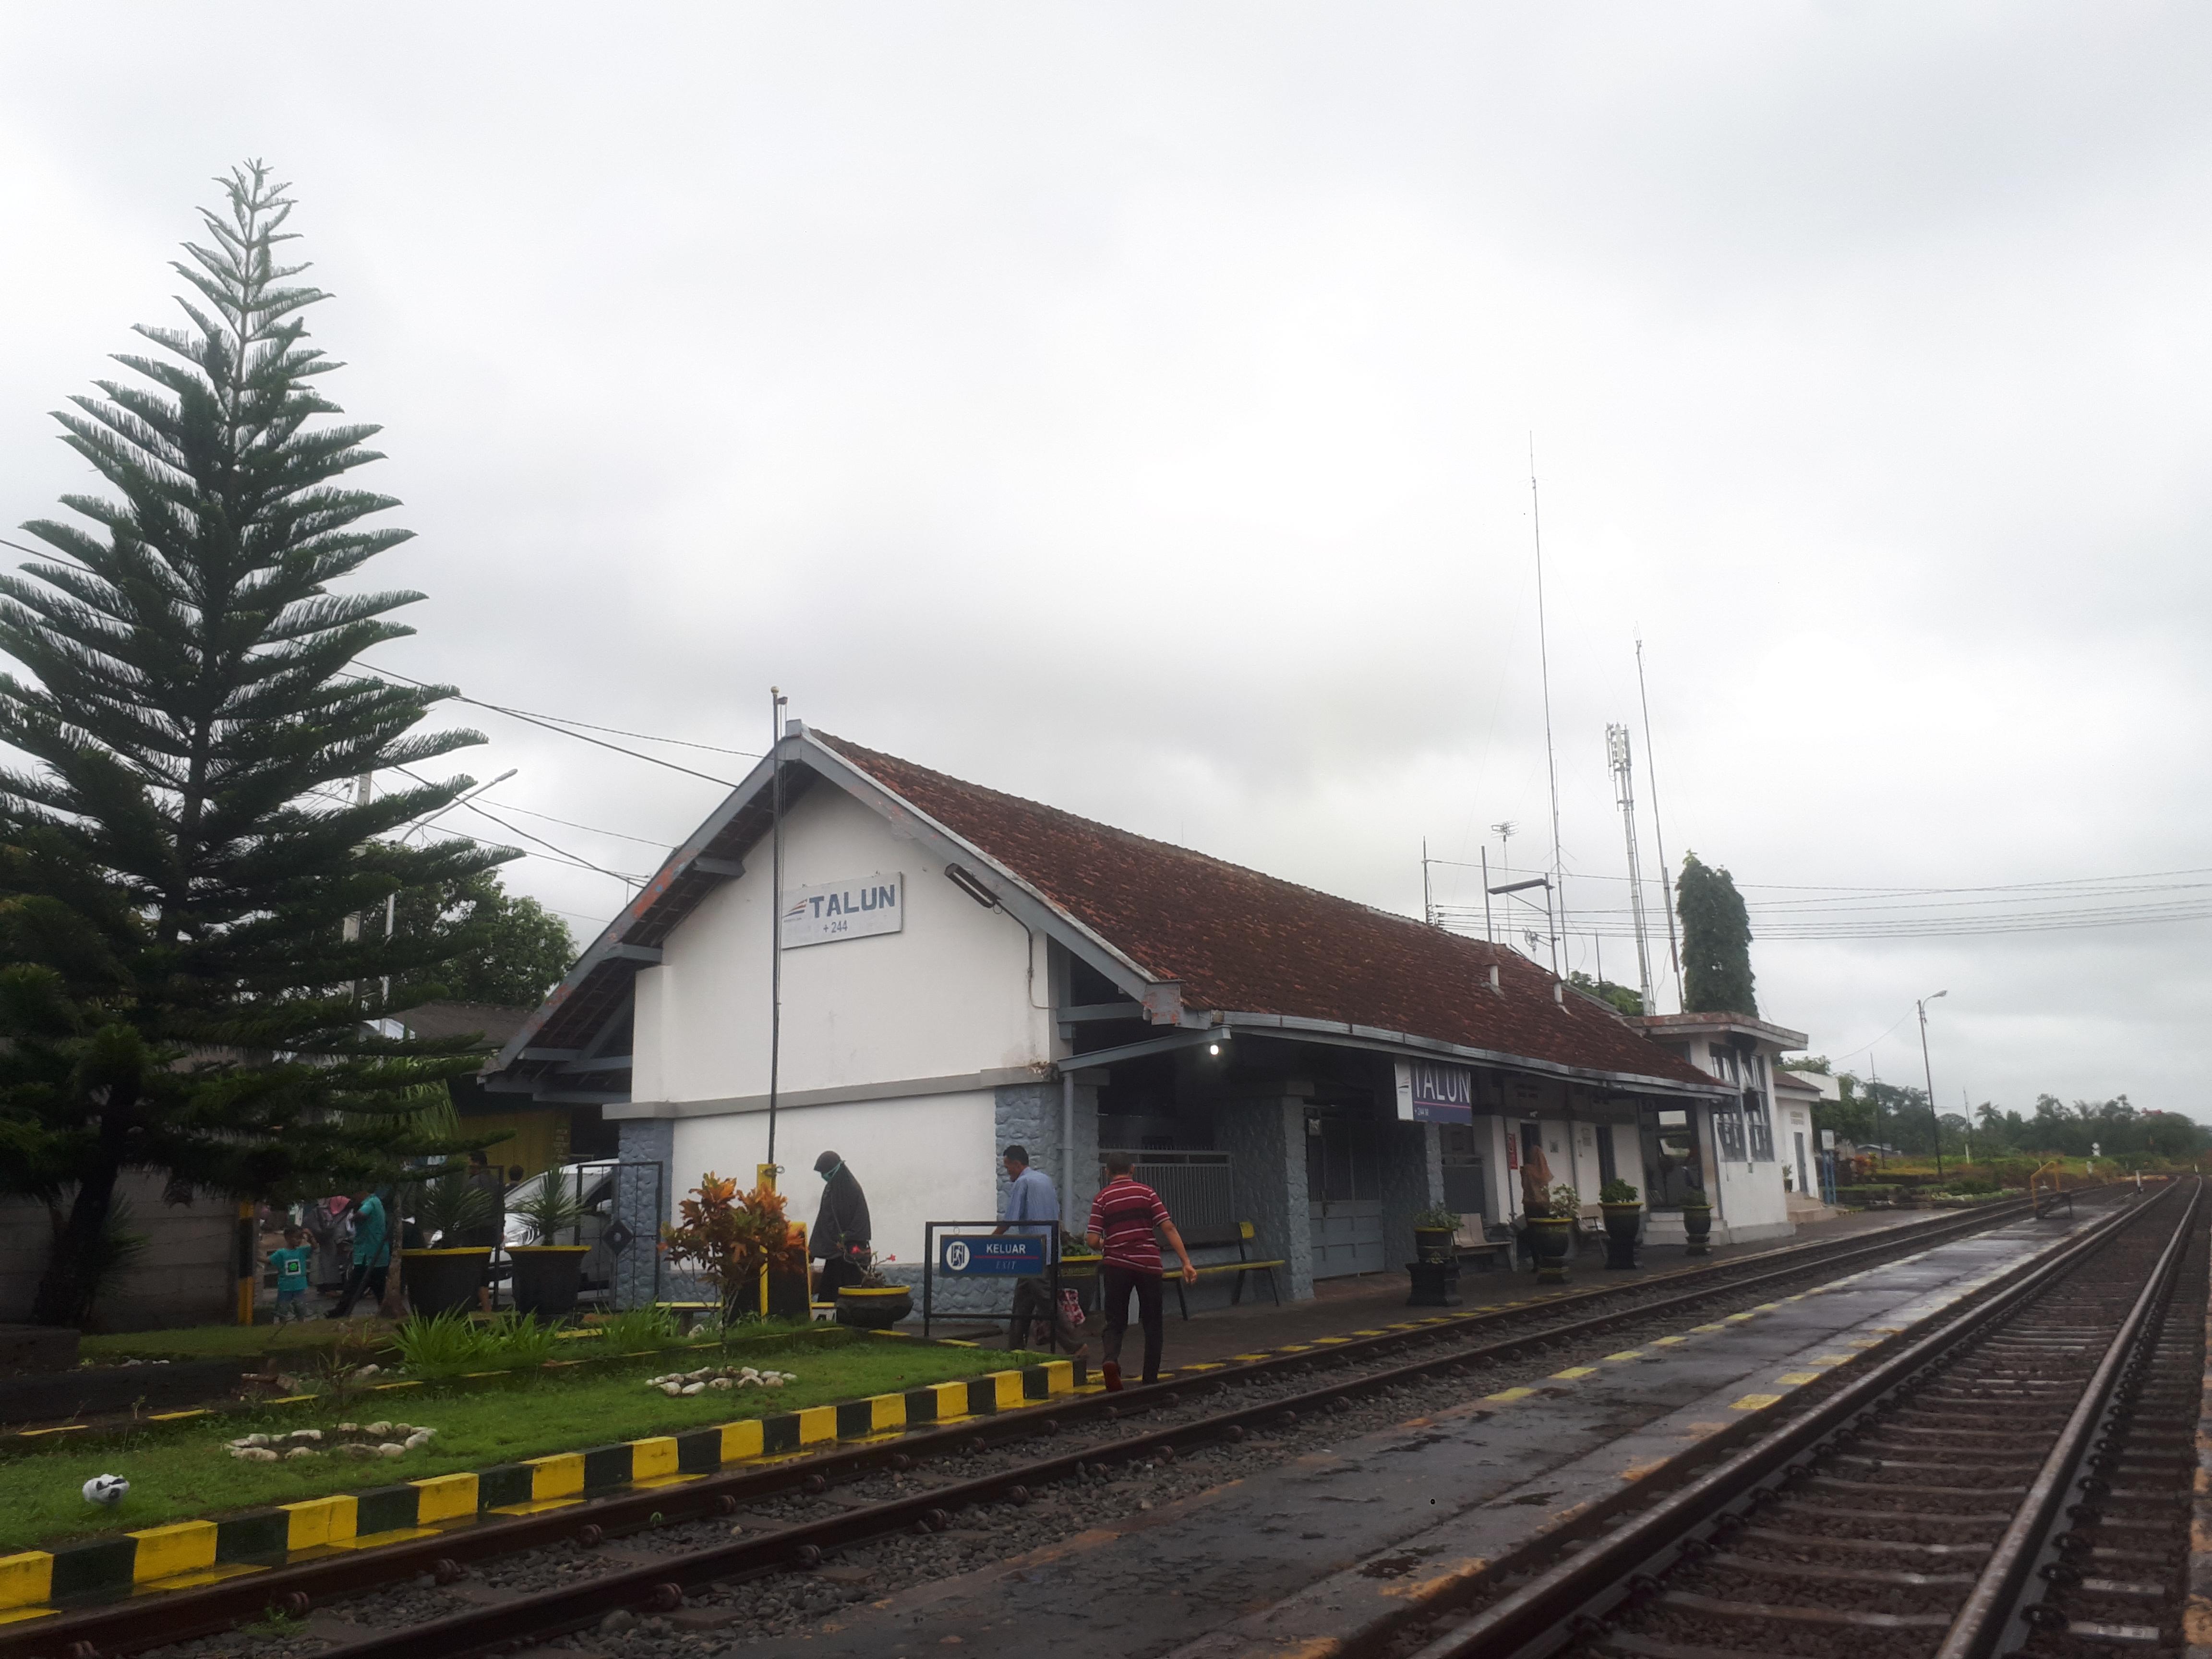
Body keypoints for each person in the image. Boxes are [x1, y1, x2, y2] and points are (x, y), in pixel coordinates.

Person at [1085, 1154, 1197, 1388]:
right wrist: (1186, 1261)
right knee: (1153, 1323)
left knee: (1115, 1321)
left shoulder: (1102, 1198)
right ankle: (1150, 1379)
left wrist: (1108, 1244)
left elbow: (1093, 1239)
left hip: (1116, 1266)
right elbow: (1168, 1226)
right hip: (1148, 1266)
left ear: (1107, 1172)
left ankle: (1110, 1360)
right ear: (1133, 1169)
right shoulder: (1147, 1193)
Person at [994, 1145, 1085, 1356]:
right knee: (1022, 1302)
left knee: (1046, 1302)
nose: (1008, 1172)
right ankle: (1015, 1348)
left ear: (1017, 1164)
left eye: (1009, 1168)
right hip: (1050, 1251)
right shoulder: (1044, 1180)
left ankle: (1075, 1343)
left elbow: (1011, 1219)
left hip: (1033, 1254)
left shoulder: (1023, 1183)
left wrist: (989, 1240)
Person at [810, 1151, 873, 1298]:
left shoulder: (850, 1189)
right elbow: (824, 1219)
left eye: (827, 1174)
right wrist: (813, 1248)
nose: (824, 1178)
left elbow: (854, 1222)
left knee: (849, 1294)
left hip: (850, 1255)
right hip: (837, 1255)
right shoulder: (833, 1188)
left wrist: (844, 1239)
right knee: (831, 1294)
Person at [327, 1187, 391, 1317]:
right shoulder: (373, 1202)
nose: (353, 1199)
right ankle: (341, 1311)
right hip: (365, 1254)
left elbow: (362, 1216)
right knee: (355, 1286)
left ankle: (342, 1311)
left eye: (354, 1196)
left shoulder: (371, 1202)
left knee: (376, 1287)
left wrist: (353, 1217)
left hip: (374, 1254)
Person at [458, 1150, 508, 1313]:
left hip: (474, 1230)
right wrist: (500, 1228)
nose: (469, 1167)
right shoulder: (495, 1182)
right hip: (490, 1230)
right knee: (483, 1266)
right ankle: (485, 1305)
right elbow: (501, 1207)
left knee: (472, 1267)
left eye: (470, 1163)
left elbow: (467, 1208)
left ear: (477, 1164)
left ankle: (479, 1304)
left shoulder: (473, 1183)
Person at [269, 1226, 314, 1322]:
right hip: (285, 1286)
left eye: (301, 1238)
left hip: (299, 1286)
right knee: (283, 1309)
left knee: (300, 1308)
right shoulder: (281, 1253)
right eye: (297, 1238)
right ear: (288, 1238)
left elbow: (315, 1246)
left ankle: (300, 1324)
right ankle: (283, 1324)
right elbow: (269, 1260)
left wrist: (310, 1236)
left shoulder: (302, 1251)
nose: (299, 1241)